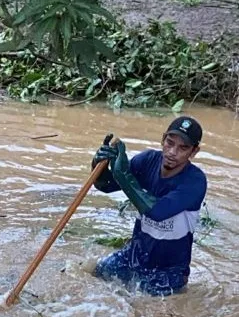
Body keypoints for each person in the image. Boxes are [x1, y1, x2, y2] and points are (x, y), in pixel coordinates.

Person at [88, 116, 207, 296]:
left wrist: (123, 175)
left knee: (140, 310)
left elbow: (157, 212)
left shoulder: (195, 181)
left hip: (168, 271)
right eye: (170, 143)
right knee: (91, 276)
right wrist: (99, 164)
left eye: (183, 148)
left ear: (194, 152)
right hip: (133, 256)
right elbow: (105, 186)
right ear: (162, 139)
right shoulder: (147, 161)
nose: (173, 152)